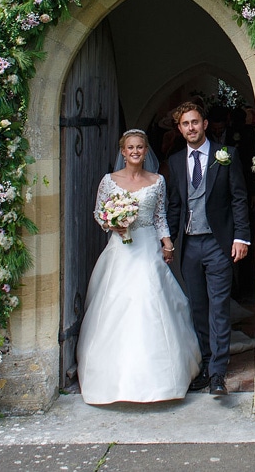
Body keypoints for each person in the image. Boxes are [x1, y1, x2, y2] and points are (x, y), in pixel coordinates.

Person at [75, 129, 201, 404]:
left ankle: (162, 381)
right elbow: (99, 213)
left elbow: (159, 218)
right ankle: (111, 380)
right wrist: (113, 223)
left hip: (147, 248)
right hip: (120, 250)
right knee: (116, 305)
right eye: (130, 147)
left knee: (150, 301)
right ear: (123, 151)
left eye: (140, 147)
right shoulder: (109, 181)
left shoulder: (157, 181)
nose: (135, 151)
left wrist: (167, 244)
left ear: (146, 151)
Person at [166, 102, 251, 397]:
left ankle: (218, 373)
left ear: (204, 124)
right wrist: (168, 241)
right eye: (185, 124)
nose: (191, 128)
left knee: (218, 307)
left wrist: (241, 238)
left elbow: (239, 198)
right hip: (190, 244)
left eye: (195, 122)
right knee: (198, 308)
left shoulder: (225, 156)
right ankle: (204, 364)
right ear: (180, 129)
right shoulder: (176, 161)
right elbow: (175, 204)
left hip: (218, 243)